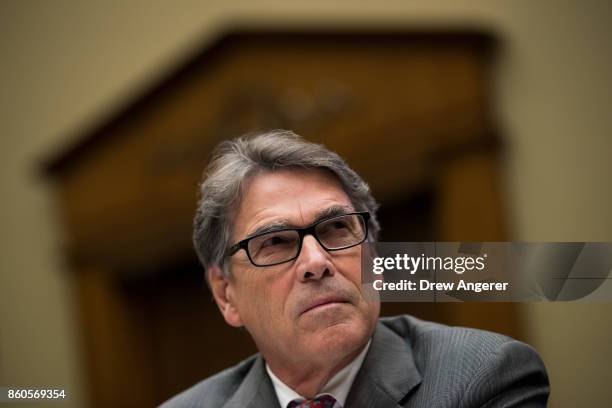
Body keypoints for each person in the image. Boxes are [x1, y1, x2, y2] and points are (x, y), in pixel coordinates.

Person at [161, 130, 549, 407]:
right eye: (276, 242)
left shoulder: (485, 375)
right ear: (226, 295)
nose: (316, 262)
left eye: (335, 229)